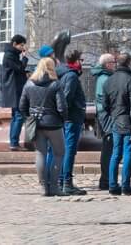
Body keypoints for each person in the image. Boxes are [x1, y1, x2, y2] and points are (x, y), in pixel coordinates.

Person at [19, 57, 68, 197]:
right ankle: (54, 186)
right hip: (54, 124)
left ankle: (43, 187)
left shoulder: (29, 84)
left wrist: (31, 117)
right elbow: (62, 107)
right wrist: (63, 119)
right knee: (59, 153)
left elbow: (22, 106)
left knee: (40, 154)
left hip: (37, 124)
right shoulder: (55, 84)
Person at [103, 52, 131, 196]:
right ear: (129, 63)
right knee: (128, 152)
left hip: (116, 119)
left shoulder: (109, 80)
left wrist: (113, 114)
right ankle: (125, 185)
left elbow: (104, 104)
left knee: (115, 153)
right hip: (127, 120)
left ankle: (112, 185)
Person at [57, 50, 87, 195]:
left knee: (67, 150)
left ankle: (63, 181)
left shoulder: (65, 74)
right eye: (81, 60)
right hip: (71, 119)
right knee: (69, 150)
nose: (83, 63)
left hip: (68, 118)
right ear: (75, 61)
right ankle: (66, 183)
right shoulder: (71, 76)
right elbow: (67, 98)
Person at [0, 34, 29, 151]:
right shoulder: (10, 56)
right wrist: (25, 58)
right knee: (18, 115)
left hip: (14, 89)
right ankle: (14, 142)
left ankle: (14, 142)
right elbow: (19, 68)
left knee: (16, 116)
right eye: (21, 45)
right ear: (14, 44)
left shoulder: (11, 55)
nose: (23, 48)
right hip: (14, 90)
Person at [92, 53, 116, 191]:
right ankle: (105, 180)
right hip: (106, 116)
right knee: (108, 148)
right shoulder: (105, 78)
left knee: (108, 149)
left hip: (104, 115)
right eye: (113, 62)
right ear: (107, 64)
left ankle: (106, 179)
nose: (115, 64)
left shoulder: (104, 76)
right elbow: (103, 100)